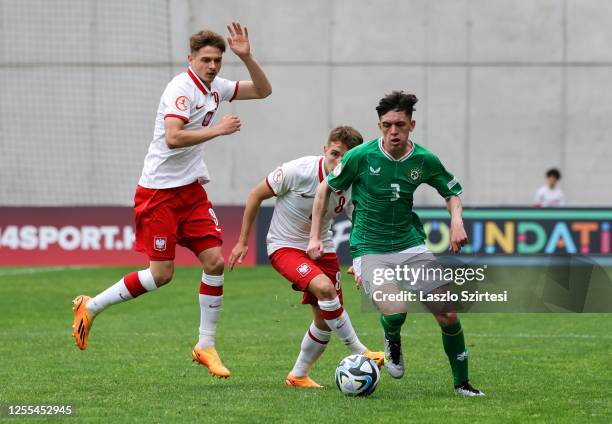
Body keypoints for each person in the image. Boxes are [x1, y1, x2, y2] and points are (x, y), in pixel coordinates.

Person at [71, 22, 272, 379]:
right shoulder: (180, 89)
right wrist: (218, 130)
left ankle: (205, 345)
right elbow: (173, 138)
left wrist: (247, 56)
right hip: (159, 194)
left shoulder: (216, 88)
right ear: (190, 59)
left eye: (218, 61)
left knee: (214, 262)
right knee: (161, 275)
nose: (212, 66)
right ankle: (91, 305)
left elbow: (263, 90)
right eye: (206, 60)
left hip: (190, 191)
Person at [307, 91, 484, 396]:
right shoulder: (361, 156)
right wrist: (313, 236)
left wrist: (456, 221)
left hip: (409, 244)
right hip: (369, 247)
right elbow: (324, 189)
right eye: (387, 125)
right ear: (379, 126)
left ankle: (462, 384)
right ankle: (392, 340)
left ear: (411, 125)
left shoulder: (424, 159)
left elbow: (452, 192)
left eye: (400, 125)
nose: (393, 132)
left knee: (448, 313)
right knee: (396, 310)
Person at [228, 126, 384, 388]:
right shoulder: (297, 170)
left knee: (324, 321)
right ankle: (359, 350)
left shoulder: (351, 185)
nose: (338, 162)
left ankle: (298, 375)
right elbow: (256, 195)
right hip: (284, 246)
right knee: (325, 289)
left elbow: (360, 224)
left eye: (345, 158)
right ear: (325, 150)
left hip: (323, 248)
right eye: (334, 154)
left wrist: (361, 261)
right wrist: (243, 241)